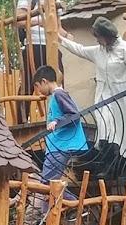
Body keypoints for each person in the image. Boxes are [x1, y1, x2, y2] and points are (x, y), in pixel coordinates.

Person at [59, 17, 126, 157]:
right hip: (104, 94)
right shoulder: (98, 51)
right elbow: (80, 50)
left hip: (123, 95)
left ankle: (122, 156)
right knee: (105, 123)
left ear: (107, 36)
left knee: (123, 127)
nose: (97, 40)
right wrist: (61, 40)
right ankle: (107, 156)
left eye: (98, 37)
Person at [31, 64, 88, 194]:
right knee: (51, 185)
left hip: (60, 146)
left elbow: (74, 114)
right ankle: (75, 205)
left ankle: (71, 204)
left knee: (46, 185)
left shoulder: (59, 94)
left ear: (44, 81)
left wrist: (56, 121)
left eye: (38, 87)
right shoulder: (55, 96)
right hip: (56, 146)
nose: (38, 91)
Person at [16, 0, 63, 116]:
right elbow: (19, 20)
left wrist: (66, 36)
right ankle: (22, 119)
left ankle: (58, 116)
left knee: (58, 80)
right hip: (33, 45)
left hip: (51, 45)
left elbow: (59, 27)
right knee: (29, 83)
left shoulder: (55, 0)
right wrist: (41, 21)